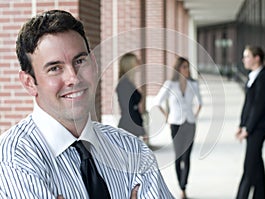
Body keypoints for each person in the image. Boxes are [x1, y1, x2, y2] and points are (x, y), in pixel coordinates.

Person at [0, 10, 174, 199]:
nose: (73, 78)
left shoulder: (133, 151)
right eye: (55, 68)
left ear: (93, 63)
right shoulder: (14, 160)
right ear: (29, 83)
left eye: (80, 61)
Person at [155, 57, 202, 199]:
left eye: (188, 67)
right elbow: (158, 102)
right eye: (184, 67)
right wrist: (166, 116)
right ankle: (181, 185)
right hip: (175, 123)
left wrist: (194, 116)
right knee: (178, 156)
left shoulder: (193, 84)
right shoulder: (170, 84)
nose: (187, 70)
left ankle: (183, 187)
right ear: (178, 69)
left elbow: (200, 102)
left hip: (190, 124)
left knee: (186, 156)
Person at [235, 45, 265, 199]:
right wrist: (241, 124)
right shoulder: (253, 75)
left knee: (249, 167)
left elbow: (258, 106)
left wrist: (248, 129)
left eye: (247, 56)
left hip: (259, 127)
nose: (244, 59)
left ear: (257, 58)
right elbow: (248, 104)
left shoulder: (264, 77)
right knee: (256, 163)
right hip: (252, 126)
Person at [116, 53, 147, 142]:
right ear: (130, 65)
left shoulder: (128, 83)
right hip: (129, 127)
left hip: (131, 127)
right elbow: (130, 110)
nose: (139, 64)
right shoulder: (125, 85)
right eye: (136, 62)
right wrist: (141, 129)